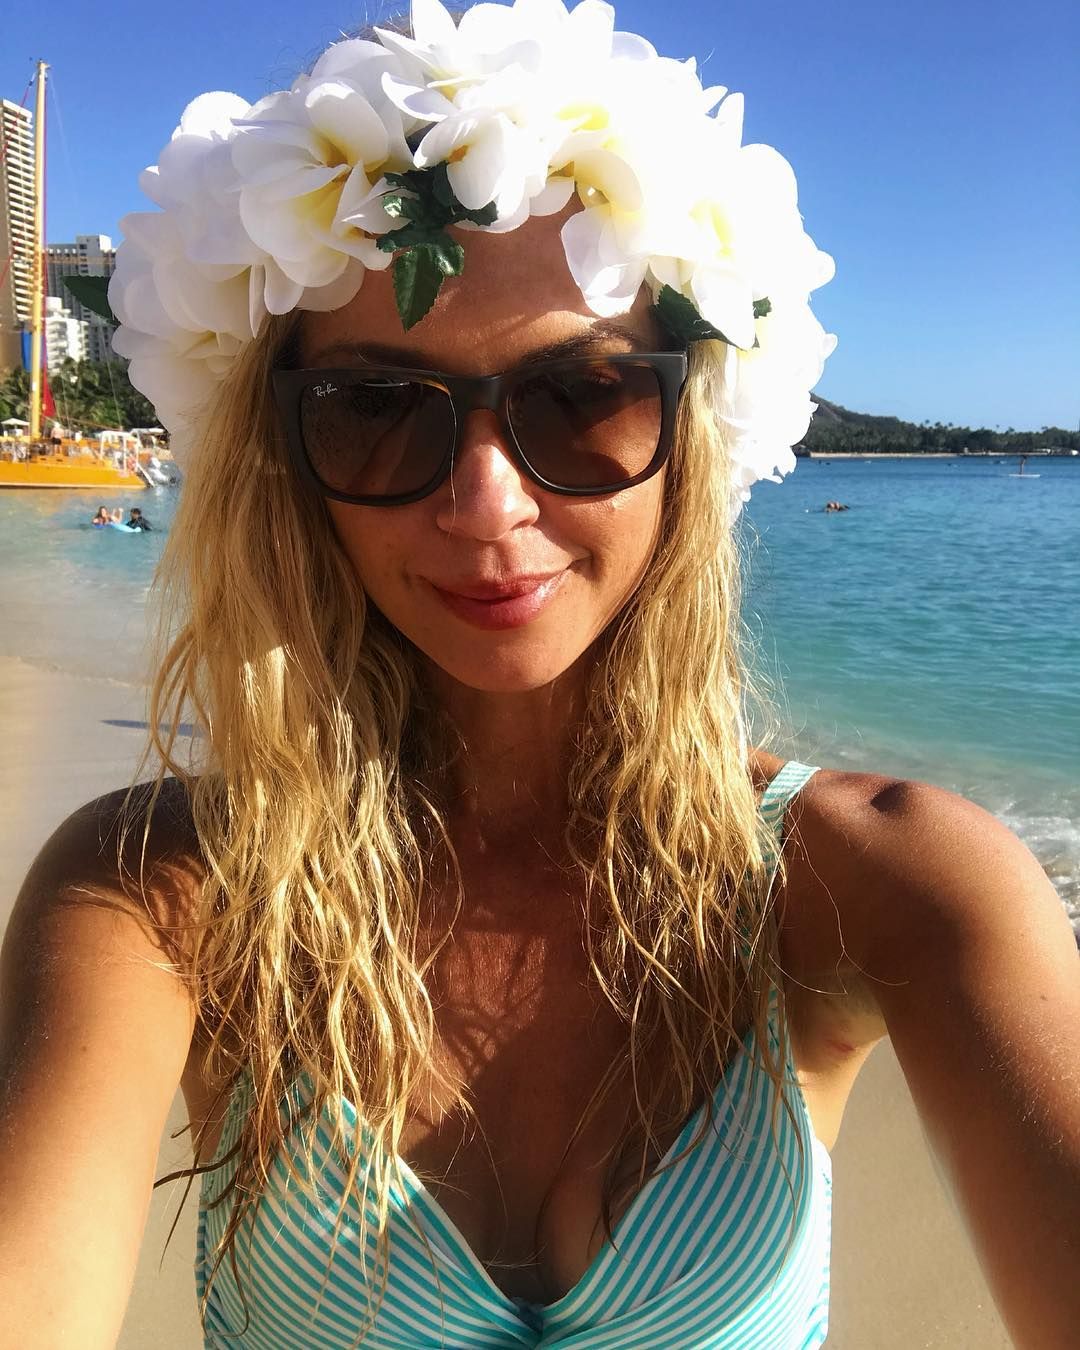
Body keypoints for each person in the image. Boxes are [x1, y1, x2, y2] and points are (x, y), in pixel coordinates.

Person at [1, 6, 1076, 1350]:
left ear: (691, 432)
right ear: (282, 462)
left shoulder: (878, 887)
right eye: (378, 408)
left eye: (583, 396)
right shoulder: (161, 900)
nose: (486, 503)